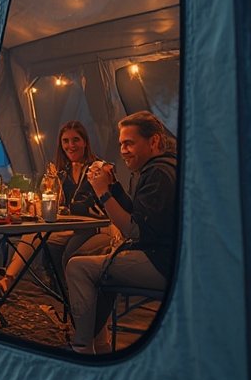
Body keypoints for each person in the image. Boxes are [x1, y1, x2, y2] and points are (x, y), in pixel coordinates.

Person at [65, 110, 177, 354]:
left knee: (77, 266)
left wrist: (102, 192)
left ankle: (82, 348)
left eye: (129, 143)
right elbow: (138, 213)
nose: (123, 150)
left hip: (163, 262)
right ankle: (101, 346)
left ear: (154, 141)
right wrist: (113, 186)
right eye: (121, 144)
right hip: (165, 256)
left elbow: (133, 231)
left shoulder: (159, 174)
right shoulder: (160, 168)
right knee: (94, 259)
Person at [0, 120, 112, 295]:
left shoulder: (97, 168)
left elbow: (97, 204)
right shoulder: (63, 172)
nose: (70, 146)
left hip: (93, 227)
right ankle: (7, 281)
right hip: (70, 225)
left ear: (85, 142)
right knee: (32, 234)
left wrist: (69, 208)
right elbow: (57, 202)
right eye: (65, 141)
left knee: (70, 251)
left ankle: (72, 296)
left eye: (75, 140)